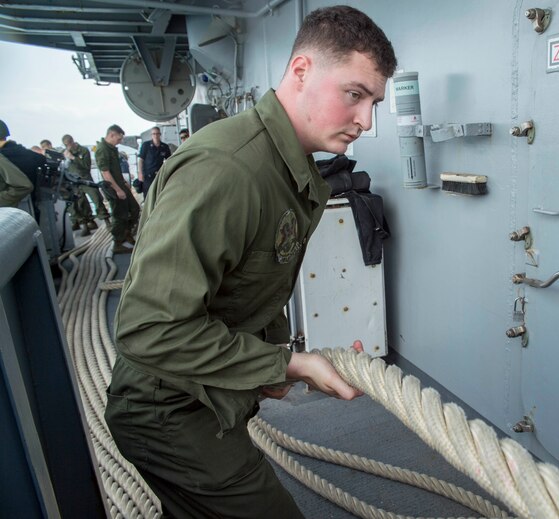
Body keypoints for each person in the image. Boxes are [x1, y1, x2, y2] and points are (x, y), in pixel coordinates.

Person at [105, 6, 396, 517]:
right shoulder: (228, 169)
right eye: (354, 94)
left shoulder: (288, 165)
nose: (366, 121)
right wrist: (284, 362)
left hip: (209, 394)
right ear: (302, 71)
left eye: (374, 102)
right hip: (170, 411)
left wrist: (270, 365)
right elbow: (149, 329)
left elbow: (242, 289)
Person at [95, 124, 139, 254]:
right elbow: (106, 172)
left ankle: (127, 233)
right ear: (111, 135)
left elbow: (115, 170)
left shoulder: (112, 148)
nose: (119, 142)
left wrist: (123, 183)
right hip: (113, 187)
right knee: (119, 215)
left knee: (134, 209)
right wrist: (117, 190)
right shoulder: (102, 149)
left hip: (120, 184)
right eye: (118, 139)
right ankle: (117, 242)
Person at [63, 133, 110, 235]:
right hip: (75, 182)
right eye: (65, 145)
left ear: (72, 141)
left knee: (97, 199)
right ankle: (86, 224)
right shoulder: (65, 153)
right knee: (81, 203)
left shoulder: (83, 151)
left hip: (86, 179)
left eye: (68, 144)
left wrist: (73, 158)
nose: (68, 146)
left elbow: (86, 165)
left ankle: (107, 222)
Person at [0, 119, 46, 220]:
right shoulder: (23, 152)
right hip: (31, 211)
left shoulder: (3, 156)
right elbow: (42, 159)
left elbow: (23, 186)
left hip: (10, 216)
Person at [137, 126, 171, 198]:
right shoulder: (146, 145)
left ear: (160, 134)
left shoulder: (164, 147)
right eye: (154, 134)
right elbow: (141, 160)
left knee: (159, 195)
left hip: (159, 175)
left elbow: (169, 160)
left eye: (157, 133)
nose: (155, 135)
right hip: (148, 176)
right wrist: (140, 173)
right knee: (148, 196)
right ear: (151, 135)